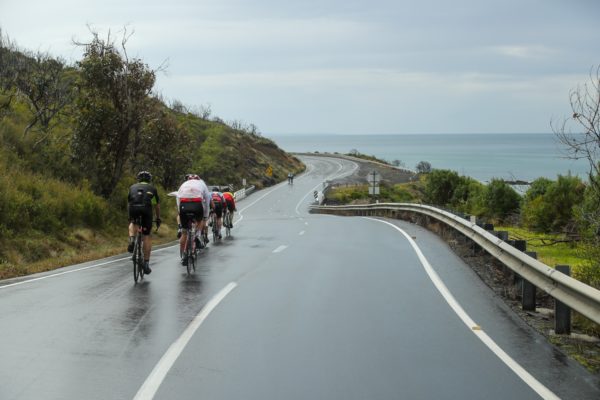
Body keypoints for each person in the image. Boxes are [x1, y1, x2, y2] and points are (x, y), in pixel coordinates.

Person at [127, 171, 161, 274]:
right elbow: (156, 205)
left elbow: (129, 202)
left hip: (133, 208)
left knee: (133, 223)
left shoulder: (132, 187)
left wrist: (130, 216)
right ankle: (146, 263)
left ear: (138, 179)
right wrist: (158, 217)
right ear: (149, 180)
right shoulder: (152, 188)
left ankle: (132, 240)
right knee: (147, 236)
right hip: (146, 210)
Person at [176, 174, 211, 266]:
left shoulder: (183, 184)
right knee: (200, 221)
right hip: (197, 205)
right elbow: (207, 201)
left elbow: (178, 199)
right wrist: (206, 216)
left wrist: (180, 212)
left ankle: (183, 255)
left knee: (184, 232)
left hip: (184, 205)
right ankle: (197, 236)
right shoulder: (202, 184)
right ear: (198, 179)